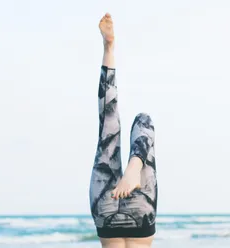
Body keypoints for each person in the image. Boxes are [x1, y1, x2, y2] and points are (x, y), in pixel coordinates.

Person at [89, 13, 158, 248]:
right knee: (132, 121)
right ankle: (134, 166)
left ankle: (109, 49)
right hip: (120, 214)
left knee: (117, 124)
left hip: (128, 214)